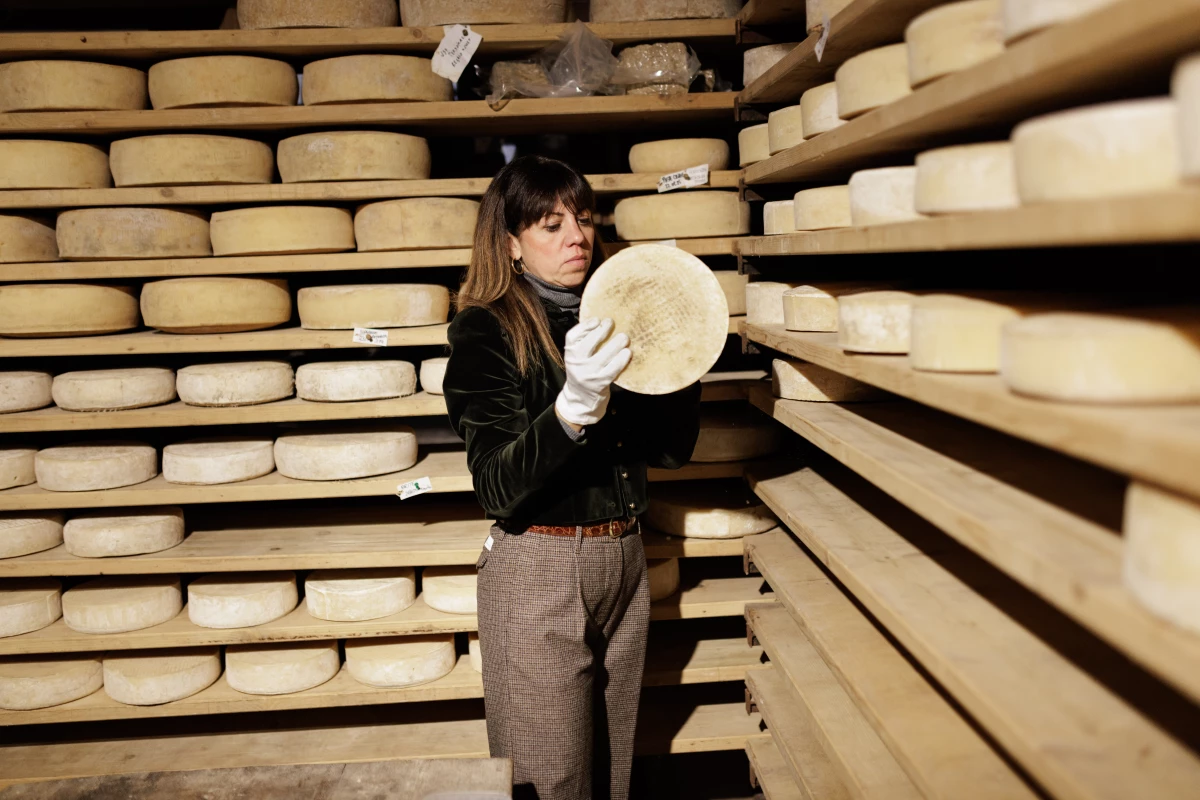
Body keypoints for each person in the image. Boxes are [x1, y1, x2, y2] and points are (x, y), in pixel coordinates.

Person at [443, 154, 703, 800]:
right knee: (550, 776)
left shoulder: (615, 317)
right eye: (550, 225)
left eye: (582, 219)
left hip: (623, 558)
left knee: (613, 771)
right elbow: (497, 487)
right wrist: (572, 410)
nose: (576, 237)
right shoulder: (486, 330)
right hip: (542, 564)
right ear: (510, 243)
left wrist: (680, 350)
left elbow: (671, 452)